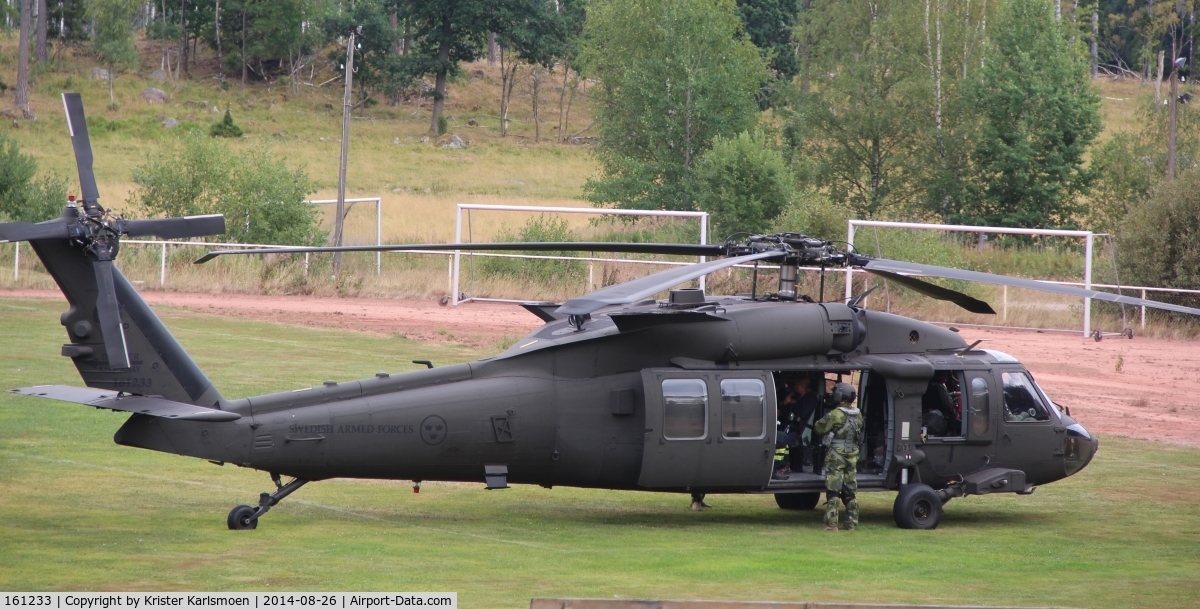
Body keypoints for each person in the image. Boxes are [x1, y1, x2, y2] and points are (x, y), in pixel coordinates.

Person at [813, 382, 862, 531]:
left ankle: (831, 524)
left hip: (836, 455)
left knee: (834, 489)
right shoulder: (858, 415)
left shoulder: (835, 414)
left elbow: (818, 427)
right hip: (852, 455)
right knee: (850, 490)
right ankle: (851, 523)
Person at [781, 375, 821, 469]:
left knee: (780, 439)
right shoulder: (798, 397)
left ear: (802, 385)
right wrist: (786, 404)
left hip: (801, 431)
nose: (794, 387)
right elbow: (787, 415)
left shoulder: (810, 399)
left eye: (796, 384)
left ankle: (782, 465)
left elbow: (802, 413)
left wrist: (793, 404)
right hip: (791, 426)